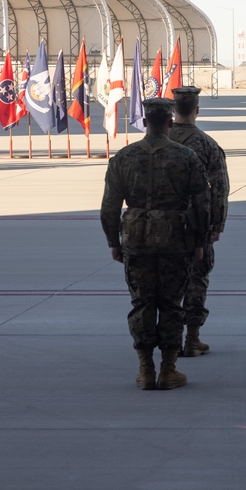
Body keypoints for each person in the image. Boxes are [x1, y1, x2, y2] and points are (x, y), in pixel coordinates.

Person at [100, 98, 210, 390]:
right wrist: (200, 242)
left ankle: (145, 369)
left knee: (142, 303)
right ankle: (168, 369)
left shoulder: (124, 157)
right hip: (175, 240)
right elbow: (202, 205)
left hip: (136, 241)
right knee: (172, 304)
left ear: (145, 122)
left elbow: (109, 206)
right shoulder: (187, 156)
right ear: (170, 123)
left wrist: (113, 241)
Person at [169, 86, 230, 357]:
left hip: (158, 226)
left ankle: (169, 340)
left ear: (173, 109)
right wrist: (216, 225)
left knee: (165, 284)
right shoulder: (207, 144)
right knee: (196, 280)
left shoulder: (158, 141)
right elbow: (220, 188)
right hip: (195, 224)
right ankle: (192, 338)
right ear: (197, 110)